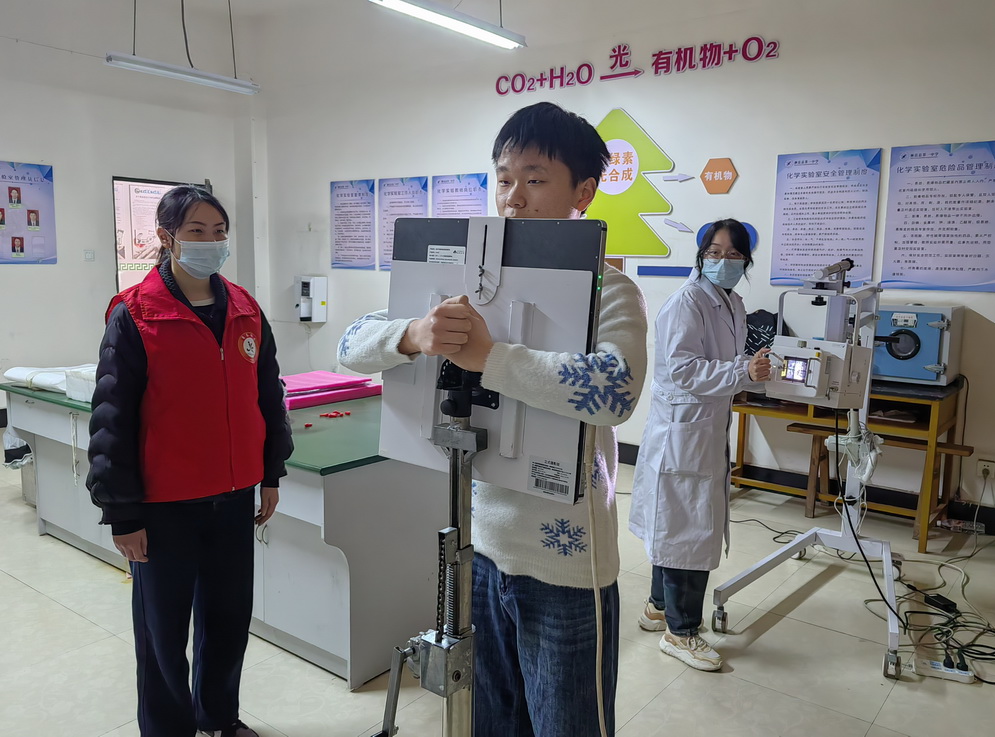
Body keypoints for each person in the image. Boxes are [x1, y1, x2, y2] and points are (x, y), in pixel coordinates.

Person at [337, 102, 647, 737]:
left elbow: (614, 391)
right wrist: (413, 334)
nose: (513, 198)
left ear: (583, 193)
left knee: (567, 724)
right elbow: (350, 345)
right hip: (480, 546)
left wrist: (492, 358)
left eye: (535, 179)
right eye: (504, 179)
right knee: (491, 720)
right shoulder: (469, 280)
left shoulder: (609, 290)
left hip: (567, 563)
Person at [87, 185, 294, 737]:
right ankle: (167, 728)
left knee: (228, 620)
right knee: (162, 633)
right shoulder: (135, 314)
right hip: (164, 506)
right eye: (196, 231)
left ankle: (218, 718)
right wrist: (122, 513)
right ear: (166, 237)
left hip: (233, 497)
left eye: (219, 232)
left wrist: (271, 472)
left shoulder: (245, 309)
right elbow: (111, 419)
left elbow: (268, 396)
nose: (211, 242)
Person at [629, 218, 771, 672]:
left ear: (745, 261)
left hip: (704, 428)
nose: (722, 261)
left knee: (678, 526)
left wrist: (752, 371)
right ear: (701, 255)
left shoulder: (733, 303)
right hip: (683, 432)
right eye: (714, 252)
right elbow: (684, 370)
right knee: (687, 532)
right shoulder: (687, 302)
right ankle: (681, 632)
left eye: (733, 254)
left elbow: (727, 364)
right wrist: (742, 372)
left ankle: (658, 608)